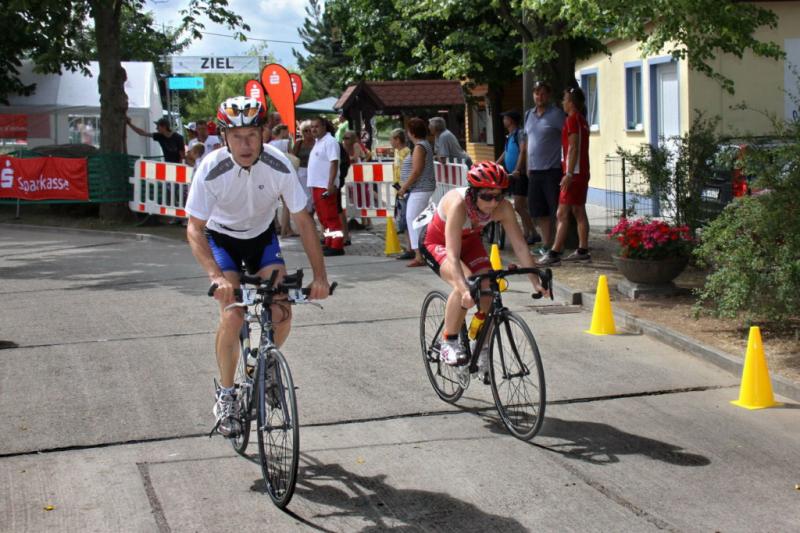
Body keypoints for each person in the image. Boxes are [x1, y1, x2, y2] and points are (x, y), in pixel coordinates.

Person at [185, 96, 330, 437]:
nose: (245, 145)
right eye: (236, 137)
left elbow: (303, 221)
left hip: (262, 238)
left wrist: (320, 276)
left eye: (251, 135)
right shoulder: (211, 168)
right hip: (222, 239)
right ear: (224, 137)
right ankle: (226, 394)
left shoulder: (279, 165)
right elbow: (194, 228)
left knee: (281, 308)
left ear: (263, 133)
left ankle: (263, 366)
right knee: (233, 313)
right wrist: (216, 276)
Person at [419, 161, 549, 374]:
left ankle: (482, 348)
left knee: (488, 291)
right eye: (487, 196)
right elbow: (452, 255)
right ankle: (448, 342)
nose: (493, 202)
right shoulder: (459, 205)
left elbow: (519, 245)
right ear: (473, 192)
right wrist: (464, 290)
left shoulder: (503, 208)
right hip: (437, 243)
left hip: (470, 243)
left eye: (498, 196)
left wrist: (535, 281)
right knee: (467, 282)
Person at [538, 87, 591, 266]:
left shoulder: (572, 120)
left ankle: (554, 253)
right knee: (578, 211)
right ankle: (583, 250)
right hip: (581, 172)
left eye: (565, 99)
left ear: (571, 103)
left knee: (562, 213)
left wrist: (568, 173)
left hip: (573, 174)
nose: (562, 103)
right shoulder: (582, 120)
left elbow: (574, 147)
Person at [520, 81, 566, 257]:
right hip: (534, 171)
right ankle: (547, 244)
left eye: (543, 93)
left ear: (549, 95)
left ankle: (557, 246)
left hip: (552, 170)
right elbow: (527, 142)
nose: (540, 97)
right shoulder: (528, 115)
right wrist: (527, 167)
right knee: (539, 212)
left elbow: (568, 138)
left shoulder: (557, 114)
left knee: (556, 210)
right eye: (537, 93)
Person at [398, 117, 436, 267]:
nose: (407, 133)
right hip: (422, 188)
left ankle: (419, 255)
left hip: (420, 189)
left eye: (408, 130)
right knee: (420, 221)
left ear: (412, 132)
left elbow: (417, 171)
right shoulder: (424, 145)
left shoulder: (420, 147)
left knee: (413, 220)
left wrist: (404, 187)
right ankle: (423, 252)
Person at [496, 110, 539, 245]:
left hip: (520, 174)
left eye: (505, 118)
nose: (503, 121)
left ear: (511, 120)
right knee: (522, 207)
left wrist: (518, 169)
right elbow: (506, 152)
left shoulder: (520, 133)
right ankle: (527, 234)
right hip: (513, 174)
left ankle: (534, 233)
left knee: (519, 206)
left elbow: (523, 151)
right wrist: (496, 164)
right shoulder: (510, 136)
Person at [307, 116, 346, 256]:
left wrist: (330, 184)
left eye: (316, 126)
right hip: (317, 185)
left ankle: (337, 245)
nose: (313, 129)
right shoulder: (318, 142)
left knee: (330, 217)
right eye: (312, 127)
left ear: (324, 127)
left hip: (325, 185)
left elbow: (334, 162)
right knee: (323, 218)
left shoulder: (330, 141)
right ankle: (330, 241)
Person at [390, 128, 414, 259]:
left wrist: (404, 187)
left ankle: (411, 248)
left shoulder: (406, 152)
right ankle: (409, 247)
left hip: (405, 189)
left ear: (397, 140)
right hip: (399, 189)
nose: (390, 142)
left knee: (406, 218)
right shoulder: (397, 152)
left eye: (391, 139)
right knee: (403, 219)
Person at [291, 120, 315, 214]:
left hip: (315, 172)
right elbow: (293, 158)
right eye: (305, 130)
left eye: (310, 130)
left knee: (314, 196)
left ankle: (312, 213)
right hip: (301, 172)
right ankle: (308, 214)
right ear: (301, 132)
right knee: (306, 196)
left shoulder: (317, 142)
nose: (308, 133)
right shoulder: (299, 143)